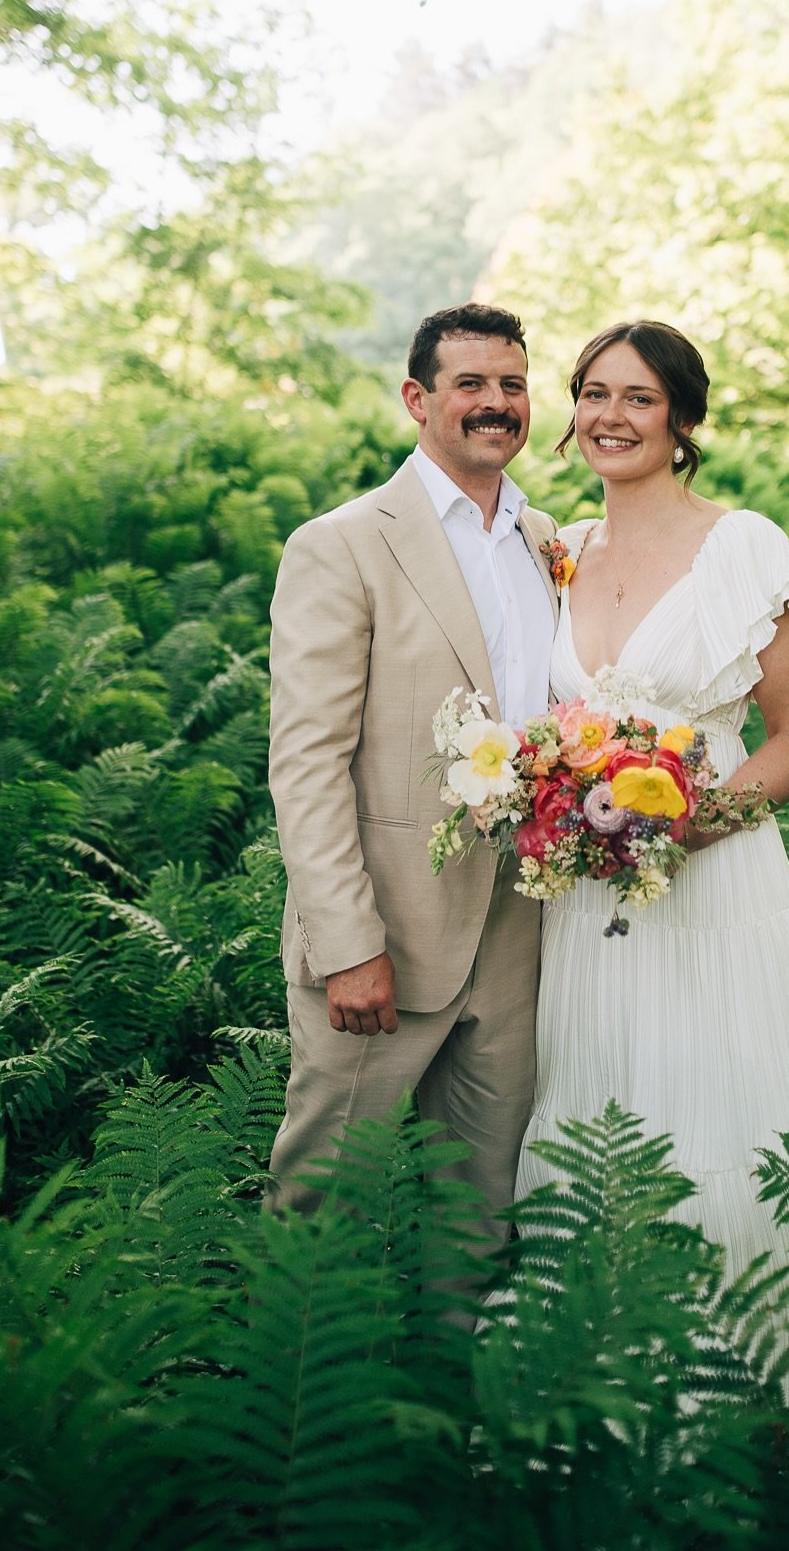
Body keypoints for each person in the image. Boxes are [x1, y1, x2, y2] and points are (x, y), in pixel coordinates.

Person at [516, 318, 789, 1455]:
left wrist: (686, 826)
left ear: (683, 419)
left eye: (640, 398)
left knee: (741, 1111)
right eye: (593, 393)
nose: (611, 416)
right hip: (589, 897)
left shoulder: (745, 545)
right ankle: (619, 1407)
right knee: (611, 1119)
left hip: (715, 889)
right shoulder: (558, 549)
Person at [267, 303, 557, 1244]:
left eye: (510, 384)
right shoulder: (342, 543)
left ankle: (452, 1379)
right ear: (416, 398)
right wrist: (348, 942)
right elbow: (306, 763)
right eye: (469, 383)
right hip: (386, 935)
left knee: (481, 1210)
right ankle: (294, 1380)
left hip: (521, 934)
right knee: (324, 1199)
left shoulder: (545, 539)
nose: (494, 403)